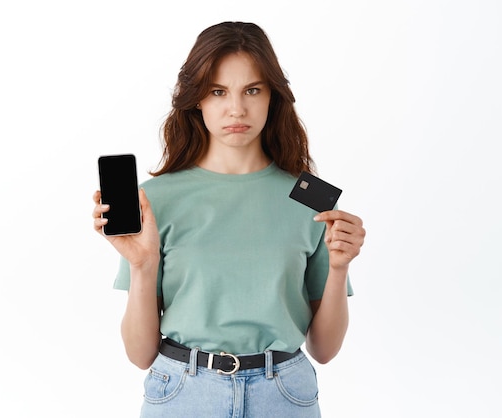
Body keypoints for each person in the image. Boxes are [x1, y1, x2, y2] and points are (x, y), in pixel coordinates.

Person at [92, 21, 366, 418]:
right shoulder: (154, 200)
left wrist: (339, 269)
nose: (236, 108)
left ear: (273, 96)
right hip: (183, 393)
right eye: (218, 91)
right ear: (196, 100)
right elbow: (139, 354)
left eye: (252, 90)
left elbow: (325, 350)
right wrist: (142, 264)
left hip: (285, 395)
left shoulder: (310, 199)